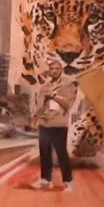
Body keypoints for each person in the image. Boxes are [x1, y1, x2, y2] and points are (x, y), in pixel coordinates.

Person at [31, 63, 77, 192]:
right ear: (49, 71)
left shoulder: (69, 84)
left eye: (57, 68)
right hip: (45, 123)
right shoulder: (44, 87)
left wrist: (54, 96)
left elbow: (68, 104)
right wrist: (35, 119)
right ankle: (46, 180)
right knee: (44, 153)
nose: (54, 71)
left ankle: (68, 181)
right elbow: (40, 106)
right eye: (52, 69)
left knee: (61, 153)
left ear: (61, 70)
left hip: (59, 124)